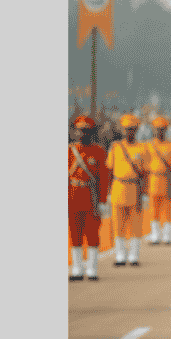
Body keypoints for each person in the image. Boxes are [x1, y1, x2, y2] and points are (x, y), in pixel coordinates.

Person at [106, 113, 151, 266]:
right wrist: (106, 192)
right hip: (118, 187)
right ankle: (120, 255)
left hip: (135, 189)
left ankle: (134, 256)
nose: (129, 132)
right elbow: (109, 170)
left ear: (136, 130)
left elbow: (145, 173)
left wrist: (145, 192)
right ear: (123, 130)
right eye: (127, 129)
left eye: (132, 129)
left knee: (136, 224)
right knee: (117, 225)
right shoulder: (115, 147)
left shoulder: (142, 148)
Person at [68, 115, 110, 280]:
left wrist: (102, 201)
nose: (82, 134)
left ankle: (92, 269)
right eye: (80, 131)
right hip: (73, 195)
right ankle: (77, 269)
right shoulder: (69, 151)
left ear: (91, 132)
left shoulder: (99, 151)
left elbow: (103, 178)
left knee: (92, 234)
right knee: (75, 234)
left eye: (86, 131)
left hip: (91, 197)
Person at [146, 116, 171, 245]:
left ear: (165, 130)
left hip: (167, 180)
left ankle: (167, 236)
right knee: (153, 210)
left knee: (167, 210)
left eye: (162, 129)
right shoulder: (149, 145)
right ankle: (155, 235)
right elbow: (144, 165)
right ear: (154, 130)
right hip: (153, 179)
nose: (159, 131)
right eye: (157, 129)